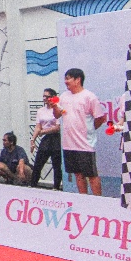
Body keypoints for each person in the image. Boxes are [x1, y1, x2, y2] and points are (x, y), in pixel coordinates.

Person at [51, 68, 106, 196]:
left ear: (78, 80)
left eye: (68, 78)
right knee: (78, 174)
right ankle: (83, 200)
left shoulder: (89, 97)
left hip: (85, 144)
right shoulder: (64, 96)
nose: (66, 81)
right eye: (65, 78)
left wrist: (89, 130)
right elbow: (57, 115)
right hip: (69, 144)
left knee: (91, 175)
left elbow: (100, 118)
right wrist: (54, 107)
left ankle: (99, 202)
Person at [30, 88, 63, 190]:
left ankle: (56, 186)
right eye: (43, 96)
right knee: (38, 162)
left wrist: (43, 131)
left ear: (52, 97)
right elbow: (38, 126)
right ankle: (33, 184)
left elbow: (57, 127)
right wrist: (33, 140)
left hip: (56, 138)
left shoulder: (58, 109)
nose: (45, 98)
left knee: (56, 164)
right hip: (46, 138)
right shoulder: (41, 111)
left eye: (47, 96)